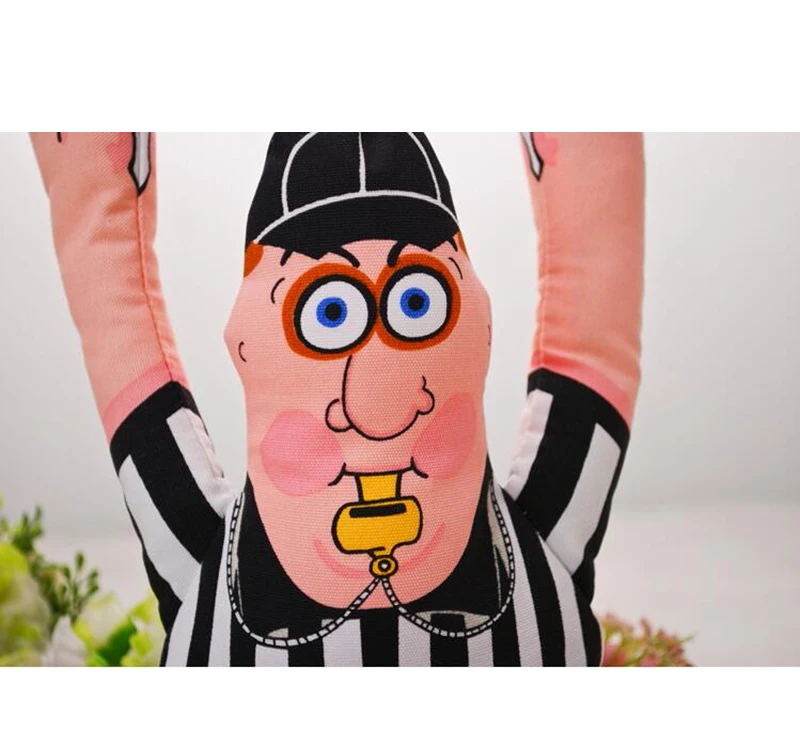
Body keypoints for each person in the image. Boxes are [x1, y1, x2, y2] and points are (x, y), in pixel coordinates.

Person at [30, 132, 644, 666]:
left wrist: (94, 193)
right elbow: (589, 350)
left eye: (417, 304)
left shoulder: (202, 568)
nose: (379, 415)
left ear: (481, 327)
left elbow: (124, 343)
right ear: (242, 344)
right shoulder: (544, 550)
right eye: (329, 313)